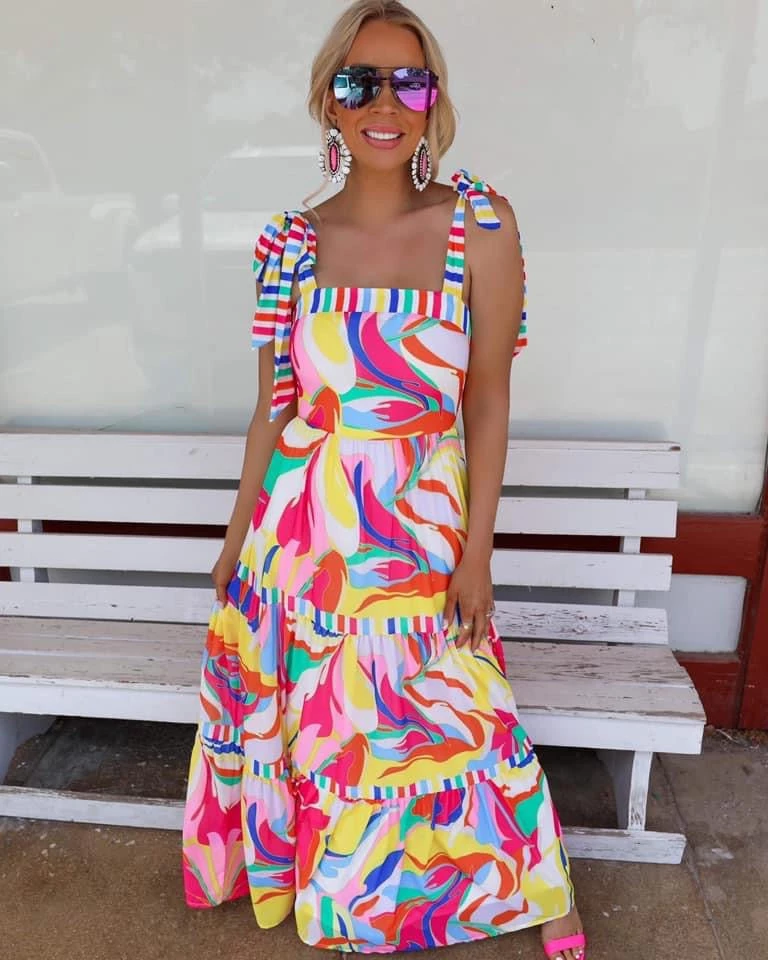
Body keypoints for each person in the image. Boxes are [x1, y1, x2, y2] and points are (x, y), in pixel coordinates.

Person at [182, 2, 586, 957]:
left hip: (423, 525)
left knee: (464, 710)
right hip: (304, 535)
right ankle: (352, 900)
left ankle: (541, 892)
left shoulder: (481, 224)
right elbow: (274, 409)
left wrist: (477, 553)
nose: (385, 103)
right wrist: (235, 543)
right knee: (331, 733)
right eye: (360, 81)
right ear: (329, 100)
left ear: (434, 99)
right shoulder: (288, 241)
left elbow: (488, 400)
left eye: (410, 81)